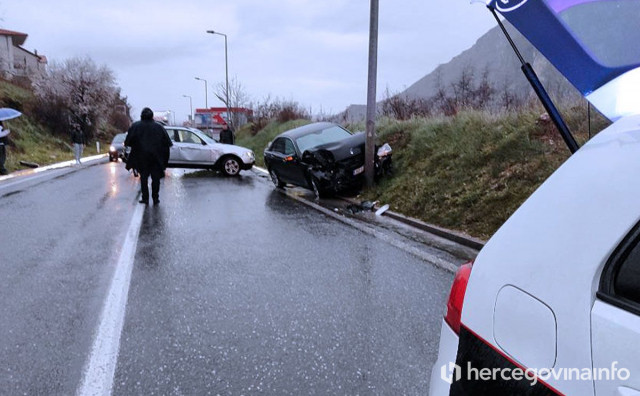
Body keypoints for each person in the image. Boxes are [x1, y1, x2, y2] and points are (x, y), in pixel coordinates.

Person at [125, 107, 173, 205]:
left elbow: (128, 142)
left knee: (143, 178)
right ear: (152, 116)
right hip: (156, 158)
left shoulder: (135, 127)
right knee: (156, 179)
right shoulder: (159, 127)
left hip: (141, 158)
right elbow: (167, 144)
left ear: (141, 116)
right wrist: (164, 160)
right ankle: (155, 198)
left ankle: (145, 198)